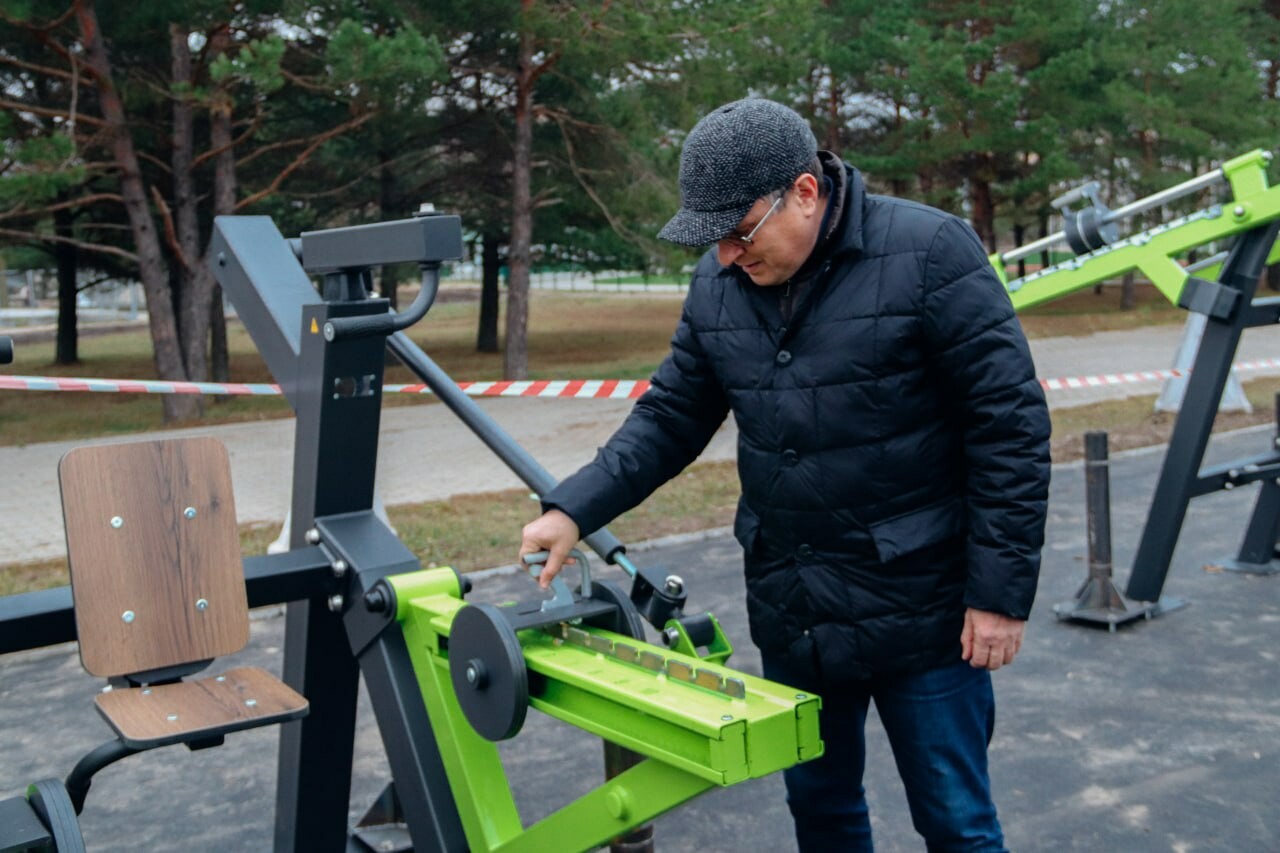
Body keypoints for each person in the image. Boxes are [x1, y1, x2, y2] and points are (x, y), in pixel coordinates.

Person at [519, 97, 1051, 851]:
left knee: (955, 821)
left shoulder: (931, 252)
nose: (727, 256)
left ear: (805, 191)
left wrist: (998, 596)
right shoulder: (718, 284)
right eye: (714, 240)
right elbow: (671, 416)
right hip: (795, 605)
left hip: (923, 609)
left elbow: (1010, 430)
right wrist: (573, 509)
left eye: (739, 232)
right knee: (822, 812)